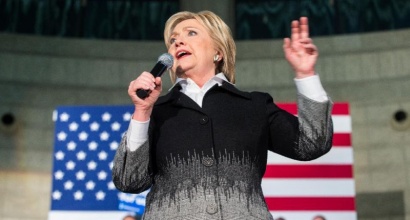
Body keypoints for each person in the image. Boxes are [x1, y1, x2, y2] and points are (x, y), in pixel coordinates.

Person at [112, 10, 333, 220]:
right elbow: (128, 180)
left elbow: (312, 143)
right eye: (172, 39)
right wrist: (141, 111)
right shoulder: (155, 112)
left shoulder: (254, 105)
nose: (177, 41)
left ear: (218, 51)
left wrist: (306, 74)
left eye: (191, 33)